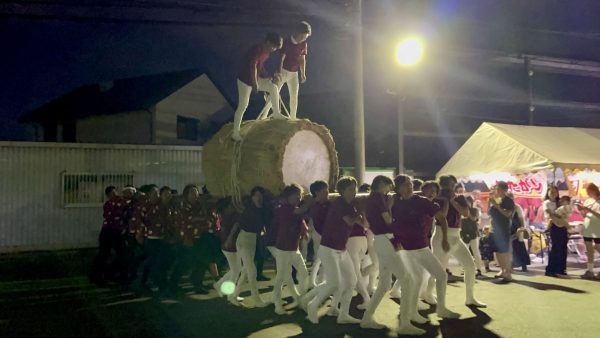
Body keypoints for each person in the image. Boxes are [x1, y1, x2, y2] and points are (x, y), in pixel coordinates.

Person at [303, 176, 364, 324]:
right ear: (342, 191)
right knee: (334, 283)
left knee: (351, 281)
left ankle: (342, 314)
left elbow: (364, 224)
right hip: (329, 249)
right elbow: (351, 220)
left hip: (341, 249)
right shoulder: (340, 203)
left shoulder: (348, 205)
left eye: (355, 188)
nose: (354, 191)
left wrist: (360, 214)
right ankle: (312, 306)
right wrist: (360, 211)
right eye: (350, 189)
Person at [425, 175, 486, 306]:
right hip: (441, 234)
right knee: (438, 268)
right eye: (447, 185)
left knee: (470, 266)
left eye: (451, 185)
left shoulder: (459, 197)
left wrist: (453, 201)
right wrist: (445, 200)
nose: (450, 187)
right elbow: (441, 216)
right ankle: (428, 293)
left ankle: (470, 298)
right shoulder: (437, 198)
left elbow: (466, 214)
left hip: (456, 235)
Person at [360, 175, 405, 330]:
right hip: (385, 240)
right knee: (406, 278)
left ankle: (367, 318)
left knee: (385, 284)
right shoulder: (378, 198)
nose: (388, 191)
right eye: (388, 187)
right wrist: (390, 205)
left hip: (381, 240)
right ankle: (406, 320)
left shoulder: (373, 198)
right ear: (381, 184)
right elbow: (388, 221)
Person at [232, 32, 285, 141]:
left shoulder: (266, 53)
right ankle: (235, 133)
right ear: (268, 42)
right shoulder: (256, 50)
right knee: (243, 106)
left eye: (276, 48)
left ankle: (276, 113)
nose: (274, 49)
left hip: (256, 79)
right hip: (245, 81)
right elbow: (253, 66)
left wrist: (268, 77)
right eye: (274, 46)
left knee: (273, 87)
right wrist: (255, 83)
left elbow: (260, 67)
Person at [272, 184, 314, 314]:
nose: (299, 198)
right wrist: (310, 200)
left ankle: (301, 299)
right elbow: (300, 212)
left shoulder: (295, 209)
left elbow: (301, 221)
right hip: (283, 248)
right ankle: (277, 304)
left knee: (303, 273)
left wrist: (305, 232)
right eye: (296, 195)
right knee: (280, 278)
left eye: (300, 196)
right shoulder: (283, 209)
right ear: (288, 196)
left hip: (294, 248)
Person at [258, 21, 311, 120]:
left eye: (306, 37)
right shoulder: (287, 42)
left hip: (294, 73)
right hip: (283, 71)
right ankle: (264, 116)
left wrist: (303, 73)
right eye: (303, 36)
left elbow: (302, 58)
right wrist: (279, 72)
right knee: (274, 93)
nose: (304, 39)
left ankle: (293, 118)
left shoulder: (304, 44)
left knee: (294, 95)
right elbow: (281, 58)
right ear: (299, 33)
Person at [233, 186, 272, 307]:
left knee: (246, 270)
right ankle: (257, 300)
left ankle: (233, 296)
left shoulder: (264, 209)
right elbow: (239, 224)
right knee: (251, 270)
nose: (258, 198)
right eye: (256, 195)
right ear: (252, 197)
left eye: (260, 195)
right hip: (244, 239)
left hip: (253, 240)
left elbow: (266, 224)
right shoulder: (248, 209)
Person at [140, 186, 175, 296]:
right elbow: (146, 219)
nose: (168, 196)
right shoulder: (154, 206)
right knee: (158, 262)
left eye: (169, 194)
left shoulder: (169, 207)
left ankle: (145, 281)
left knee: (156, 261)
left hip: (163, 238)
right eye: (165, 194)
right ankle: (161, 285)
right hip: (153, 239)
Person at [90, 186, 127, 287]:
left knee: (122, 253)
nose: (114, 195)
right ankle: (97, 276)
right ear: (108, 195)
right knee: (103, 254)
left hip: (117, 231)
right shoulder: (108, 205)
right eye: (112, 193)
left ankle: (114, 274)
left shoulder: (121, 202)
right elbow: (111, 215)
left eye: (115, 192)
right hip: (108, 231)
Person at [214, 197, 245, 304]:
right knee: (236, 270)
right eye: (231, 205)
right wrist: (228, 240)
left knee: (236, 269)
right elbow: (233, 229)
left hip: (231, 245)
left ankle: (219, 285)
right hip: (230, 245)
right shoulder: (229, 216)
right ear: (227, 207)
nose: (233, 206)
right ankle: (231, 295)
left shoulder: (227, 215)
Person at [487, 181, 515, 281]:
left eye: (498, 189)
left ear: (505, 190)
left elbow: (508, 214)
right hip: (494, 228)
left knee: (504, 252)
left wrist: (497, 206)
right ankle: (502, 270)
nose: (496, 191)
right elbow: (488, 213)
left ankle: (508, 272)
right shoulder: (495, 199)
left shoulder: (508, 201)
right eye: (496, 189)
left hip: (503, 229)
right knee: (498, 252)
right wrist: (489, 202)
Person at [308, 180, 330, 288]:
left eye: (327, 190)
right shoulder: (315, 205)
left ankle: (318, 282)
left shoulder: (325, 203)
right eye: (324, 191)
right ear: (317, 192)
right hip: (319, 234)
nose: (327, 193)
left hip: (323, 235)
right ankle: (316, 283)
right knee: (320, 259)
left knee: (320, 259)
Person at [543, 185, 568, 277]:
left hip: (562, 226)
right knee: (555, 248)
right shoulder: (546, 202)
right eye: (551, 192)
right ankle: (551, 269)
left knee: (563, 247)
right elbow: (550, 213)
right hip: (553, 226)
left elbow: (566, 212)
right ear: (548, 193)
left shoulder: (560, 203)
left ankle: (561, 268)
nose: (553, 193)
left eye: (555, 192)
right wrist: (559, 215)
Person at [577, 183, 600, 279]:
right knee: (589, 249)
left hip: (598, 228)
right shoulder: (588, 201)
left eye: (589, 191)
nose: (588, 193)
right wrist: (581, 210)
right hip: (587, 227)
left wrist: (589, 210)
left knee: (598, 247)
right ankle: (590, 270)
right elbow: (584, 215)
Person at [509, 193, 530, 273]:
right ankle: (512, 265)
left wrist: (522, 228)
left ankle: (523, 266)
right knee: (512, 249)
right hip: (509, 230)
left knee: (519, 248)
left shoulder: (517, 207)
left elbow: (521, 219)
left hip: (517, 230)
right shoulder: (505, 207)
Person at [460, 207, 485, 276]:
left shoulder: (473, 213)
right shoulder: (464, 219)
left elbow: (475, 218)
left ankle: (478, 269)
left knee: (475, 252)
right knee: (466, 253)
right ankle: (465, 269)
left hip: (474, 236)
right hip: (466, 237)